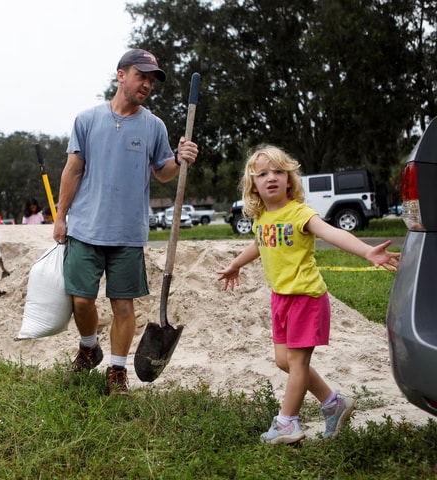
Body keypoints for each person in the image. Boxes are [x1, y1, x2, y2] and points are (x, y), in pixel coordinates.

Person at [216, 145, 400, 444]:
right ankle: (333, 403)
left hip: (305, 297)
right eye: (262, 174)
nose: (271, 177)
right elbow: (259, 243)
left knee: (297, 363)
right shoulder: (262, 217)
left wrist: (367, 251)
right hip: (281, 299)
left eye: (278, 171)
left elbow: (332, 233)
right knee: (283, 360)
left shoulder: (300, 213)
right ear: (253, 185)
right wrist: (236, 264)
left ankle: (287, 423)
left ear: (289, 180)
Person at [52, 48, 199, 395]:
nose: (147, 84)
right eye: (141, 76)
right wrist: (61, 217)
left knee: (122, 305)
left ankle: (117, 371)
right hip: (86, 228)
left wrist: (179, 158)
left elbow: (164, 172)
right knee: (81, 301)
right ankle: (89, 346)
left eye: (151, 80)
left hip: (128, 233)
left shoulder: (154, 126)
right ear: (121, 75)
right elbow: (73, 170)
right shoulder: (87, 119)